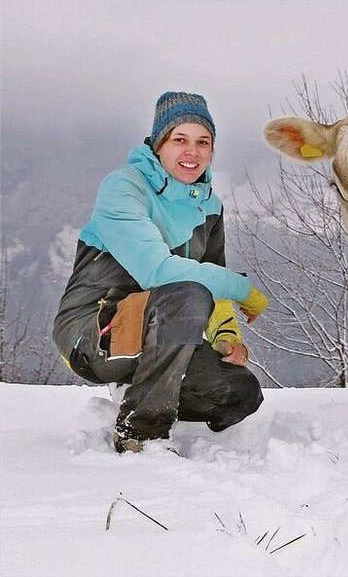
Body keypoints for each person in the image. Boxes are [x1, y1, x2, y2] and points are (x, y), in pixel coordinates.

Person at [52, 91, 266, 454]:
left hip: (163, 334)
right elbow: (158, 271)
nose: (192, 152)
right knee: (187, 293)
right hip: (94, 335)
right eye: (179, 139)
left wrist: (226, 336)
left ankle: (140, 388)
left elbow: (211, 276)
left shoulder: (210, 207)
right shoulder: (124, 186)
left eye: (203, 142)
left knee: (240, 393)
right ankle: (141, 433)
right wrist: (242, 289)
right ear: (158, 144)